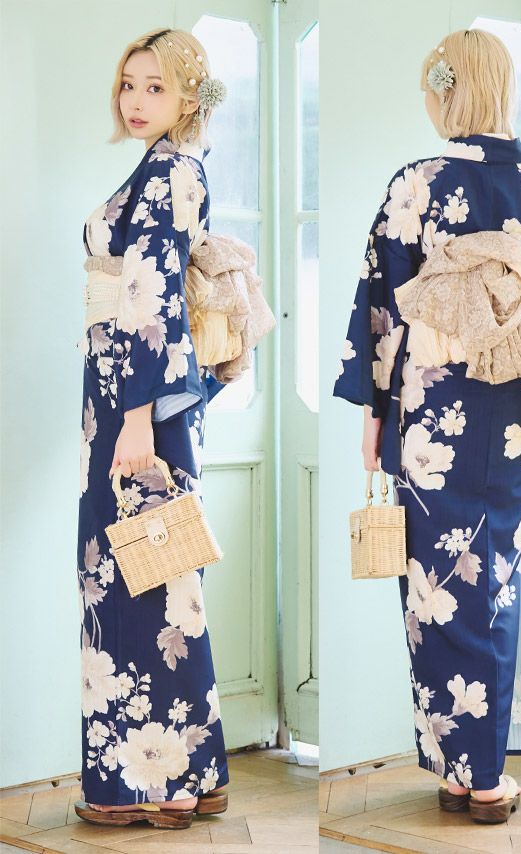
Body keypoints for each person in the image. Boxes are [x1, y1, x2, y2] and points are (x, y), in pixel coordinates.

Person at [333, 28, 521, 824]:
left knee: (432, 591)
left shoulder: (414, 183)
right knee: (492, 585)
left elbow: (382, 311)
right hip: (515, 416)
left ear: (444, 92)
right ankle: (474, 774)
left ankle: (473, 774)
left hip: (430, 414)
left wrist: (376, 416)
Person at [74, 27, 230, 830]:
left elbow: (154, 293)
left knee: (139, 576)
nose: (135, 100)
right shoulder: (163, 167)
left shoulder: (171, 172)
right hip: (125, 395)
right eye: (129, 84)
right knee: (156, 575)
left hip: (136, 405)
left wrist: (135, 419)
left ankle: (153, 784)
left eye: (156, 87)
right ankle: (189, 775)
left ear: (189, 97)